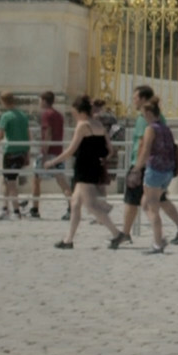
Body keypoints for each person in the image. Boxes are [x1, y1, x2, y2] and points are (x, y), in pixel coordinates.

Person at [42, 97, 125, 249]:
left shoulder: (82, 125)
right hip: (94, 167)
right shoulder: (98, 124)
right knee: (75, 204)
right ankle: (68, 240)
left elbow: (70, 150)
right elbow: (110, 149)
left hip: (84, 168)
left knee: (91, 206)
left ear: (81, 111)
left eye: (74, 112)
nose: (73, 114)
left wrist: (52, 162)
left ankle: (117, 234)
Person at [118, 87, 178, 245]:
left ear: (144, 100)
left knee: (136, 201)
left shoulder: (145, 121)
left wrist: (136, 168)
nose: (133, 101)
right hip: (161, 167)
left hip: (146, 165)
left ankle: (131, 234)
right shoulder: (161, 120)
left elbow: (143, 145)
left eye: (136, 98)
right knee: (158, 200)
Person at [132, 99, 178, 254]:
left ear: (149, 113)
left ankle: (158, 242)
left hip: (155, 170)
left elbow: (146, 151)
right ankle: (160, 237)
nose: (143, 117)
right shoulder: (166, 128)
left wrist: (136, 169)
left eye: (143, 115)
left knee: (152, 208)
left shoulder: (151, 129)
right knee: (145, 204)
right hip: (167, 171)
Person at [0, 92, 32, 220]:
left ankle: (16, 211)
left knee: (11, 183)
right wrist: (28, 154)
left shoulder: (6, 116)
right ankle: (5, 208)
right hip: (22, 151)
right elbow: (28, 136)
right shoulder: (23, 116)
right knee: (7, 181)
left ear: (3, 101)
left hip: (11, 152)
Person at [30, 91, 71, 220]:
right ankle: (71, 207)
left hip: (49, 152)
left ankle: (35, 209)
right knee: (62, 181)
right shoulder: (58, 115)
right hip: (58, 151)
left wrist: (44, 153)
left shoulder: (47, 114)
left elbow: (48, 133)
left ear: (44, 101)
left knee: (36, 179)